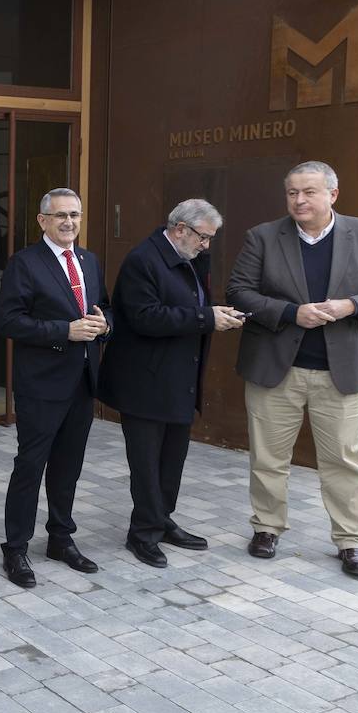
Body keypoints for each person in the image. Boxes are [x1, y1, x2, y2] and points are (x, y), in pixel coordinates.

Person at [227, 161, 358, 578]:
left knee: (344, 461)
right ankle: (266, 528)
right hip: (276, 370)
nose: (299, 200)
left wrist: (351, 305)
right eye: (292, 192)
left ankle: (351, 541)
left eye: (309, 192)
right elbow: (238, 292)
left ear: (332, 195)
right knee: (268, 458)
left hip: (341, 372)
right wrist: (291, 313)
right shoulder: (263, 237)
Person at [97, 200, 243, 568]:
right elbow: (146, 318)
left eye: (210, 238)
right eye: (204, 237)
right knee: (146, 463)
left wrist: (213, 313)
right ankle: (142, 533)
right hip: (144, 382)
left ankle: (161, 520)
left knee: (172, 460)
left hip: (178, 379)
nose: (207, 245)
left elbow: (191, 306)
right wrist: (205, 318)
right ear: (181, 229)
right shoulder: (143, 261)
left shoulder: (189, 258)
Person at [0, 187, 111, 588]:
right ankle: (15, 548)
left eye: (75, 215)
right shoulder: (25, 264)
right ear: (43, 220)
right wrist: (66, 330)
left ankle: (60, 539)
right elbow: (9, 322)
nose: (69, 223)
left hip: (82, 381)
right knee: (31, 466)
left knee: (68, 466)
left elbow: (104, 306)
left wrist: (104, 325)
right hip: (41, 385)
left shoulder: (89, 260)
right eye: (60, 215)